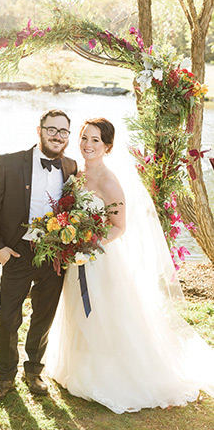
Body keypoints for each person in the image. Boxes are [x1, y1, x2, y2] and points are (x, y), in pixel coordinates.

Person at [45, 117, 214, 414]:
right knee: (76, 311)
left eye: (95, 140)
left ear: (108, 146)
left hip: (100, 260)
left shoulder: (110, 182)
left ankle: (111, 376)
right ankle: (78, 367)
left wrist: (87, 246)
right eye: (84, 137)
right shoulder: (75, 174)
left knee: (104, 315)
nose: (87, 144)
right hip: (77, 259)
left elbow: (119, 227)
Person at [0, 109, 77, 401]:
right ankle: (4, 377)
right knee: (8, 318)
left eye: (63, 132)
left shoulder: (72, 168)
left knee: (44, 316)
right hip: (18, 252)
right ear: (39, 130)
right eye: (52, 129)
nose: (57, 136)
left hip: (54, 255)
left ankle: (34, 371)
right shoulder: (9, 163)